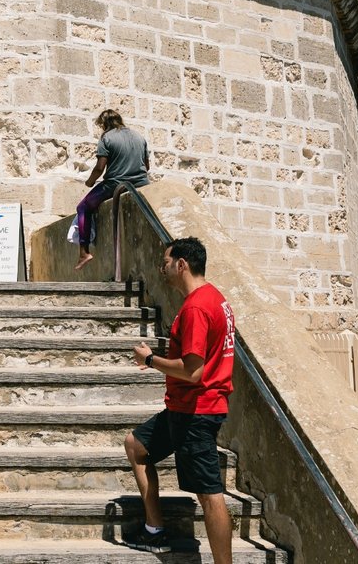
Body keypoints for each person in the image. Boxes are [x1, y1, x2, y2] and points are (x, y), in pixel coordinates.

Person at [124, 237, 236, 563]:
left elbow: (192, 371)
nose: (163, 270)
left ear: (182, 264)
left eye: (165, 263)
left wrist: (149, 360)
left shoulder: (197, 308)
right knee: (136, 445)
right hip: (183, 408)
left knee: (210, 495)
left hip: (196, 411)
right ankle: (155, 530)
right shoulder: (216, 299)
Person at [75, 109, 150, 270]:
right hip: (141, 183)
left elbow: (99, 168)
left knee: (83, 207)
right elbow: (147, 166)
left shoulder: (107, 138)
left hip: (116, 184)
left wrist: (90, 182)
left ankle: (84, 252)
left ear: (104, 124)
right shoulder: (139, 137)